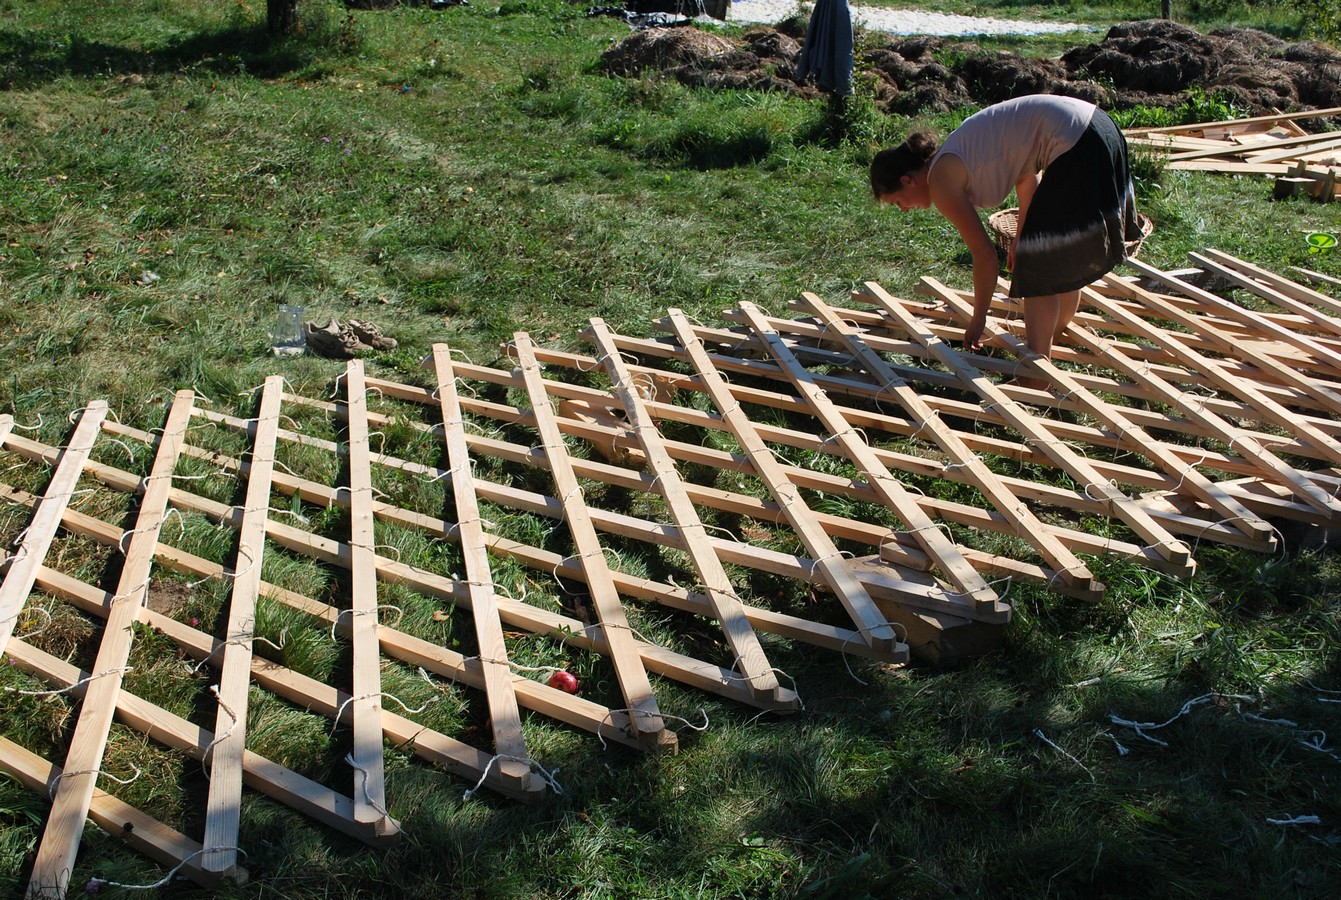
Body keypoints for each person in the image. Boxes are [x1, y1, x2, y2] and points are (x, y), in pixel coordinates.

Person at [870, 94, 1140, 378]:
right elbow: (1027, 177)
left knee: (1038, 263)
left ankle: (1038, 375)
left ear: (907, 181)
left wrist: (978, 318)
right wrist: (1022, 236)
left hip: (1077, 141)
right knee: (1059, 251)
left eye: (897, 202)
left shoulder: (940, 180)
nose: (904, 209)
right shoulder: (956, 153)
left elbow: (985, 256)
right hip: (1100, 128)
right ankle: (1055, 333)